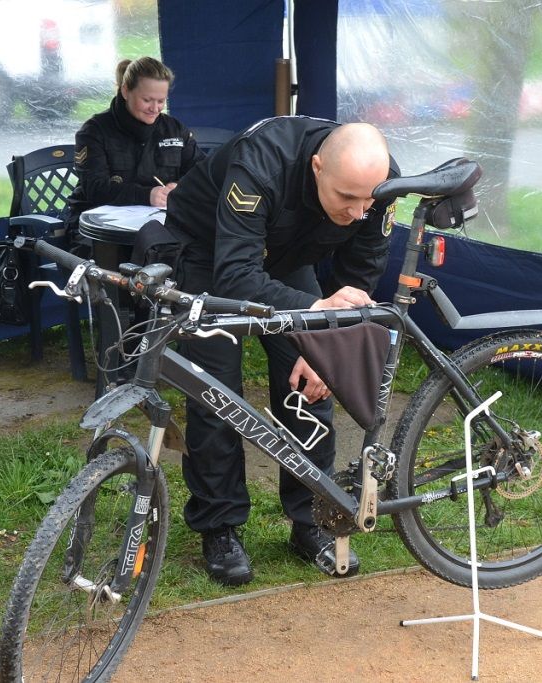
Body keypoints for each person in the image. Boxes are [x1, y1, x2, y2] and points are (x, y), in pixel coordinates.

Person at [164, 116, 398, 586]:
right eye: (346, 198)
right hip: (212, 256)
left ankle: (311, 518)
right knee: (216, 392)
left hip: (288, 258)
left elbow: (360, 271)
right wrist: (315, 307)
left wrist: (326, 339)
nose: (357, 212)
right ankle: (220, 526)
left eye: (367, 200)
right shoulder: (261, 165)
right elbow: (235, 274)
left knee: (310, 387)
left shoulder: (381, 182)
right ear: (316, 167)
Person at [67, 56, 202, 226]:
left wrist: (179, 187)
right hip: (98, 228)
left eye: (161, 101)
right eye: (147, 100)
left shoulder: (174, 129)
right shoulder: (95, 131)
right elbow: (95, 189)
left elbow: (201, 171)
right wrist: (146, 195)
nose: (155, 108)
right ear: (125, 91)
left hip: (162, 224)